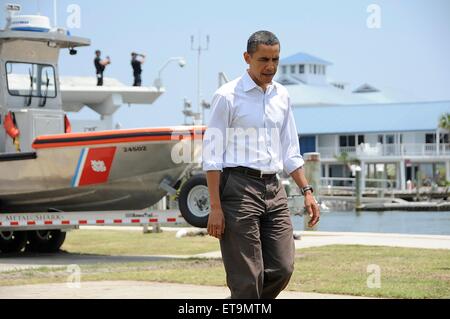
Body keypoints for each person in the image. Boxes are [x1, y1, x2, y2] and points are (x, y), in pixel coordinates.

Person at [202, 30, 320, 299]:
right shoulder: (227, 96)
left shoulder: (282, 96)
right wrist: (215, 207)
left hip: (274, 187)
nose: (270, 66)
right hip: (238, 189)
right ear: (247, 58)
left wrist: (307, 191)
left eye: (275, 59)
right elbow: (212, 155)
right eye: (263, 59)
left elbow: (290, 149)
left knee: (282, 267)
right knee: (248, 278)